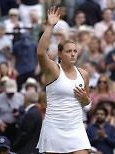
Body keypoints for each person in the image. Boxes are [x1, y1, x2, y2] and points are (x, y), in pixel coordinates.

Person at [36, 6, 91, 154]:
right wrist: (49, 26)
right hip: (54, 128)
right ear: (60, 54)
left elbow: (86, 102)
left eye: (75, 51)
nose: (73, 54)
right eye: (68, 51)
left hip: (76, 127)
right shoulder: (53, 70)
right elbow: (41, 53)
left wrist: (86, 98)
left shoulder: (84, 74)